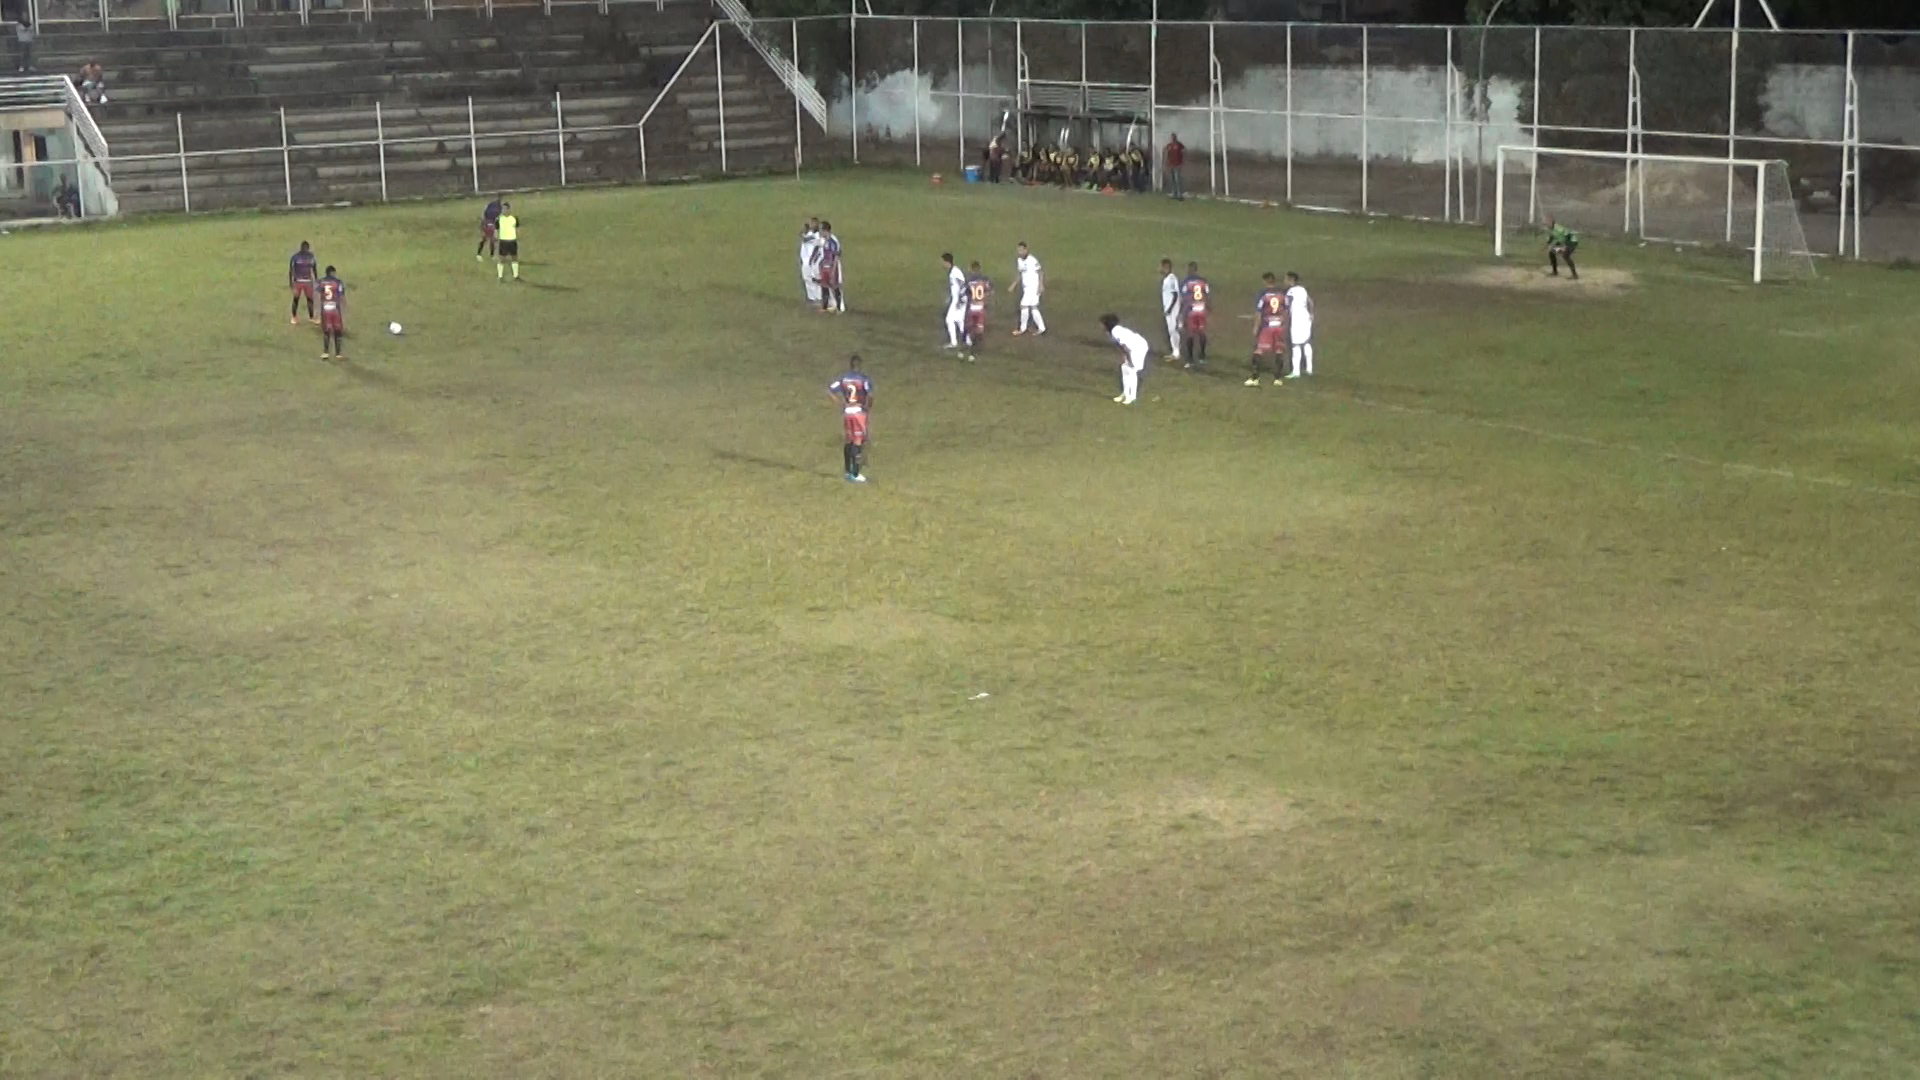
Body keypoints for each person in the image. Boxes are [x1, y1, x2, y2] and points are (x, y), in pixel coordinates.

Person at [827, 356, 873, 483]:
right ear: (860, 365)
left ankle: (847, 471)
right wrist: (867, 408)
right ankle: (856, 474)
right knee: (858, 441)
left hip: (847, 412)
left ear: (851, 365)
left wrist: (841, 404)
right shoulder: (864, 379)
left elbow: (830, 390)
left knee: (849, 439)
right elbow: (870, 395)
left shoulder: (844, 379)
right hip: (858, 413)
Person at [1245, 272, 1289, 387]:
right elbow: (1286, 310)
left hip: (1267, 327)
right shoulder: (1282, 294)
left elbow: (1259, 312)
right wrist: (1283, 322)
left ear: (1265, 281)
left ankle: (1255, 378)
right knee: (1279, 351)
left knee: (1259, 351)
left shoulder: (1263, 294)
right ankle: (1278, 379)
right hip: (1279, 326)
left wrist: (1255, 327)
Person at [1101, 315, 1150, 406]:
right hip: (1134, 347)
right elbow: (1121, 346)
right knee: (1124, 368)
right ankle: (1125, 393)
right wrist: (1124, 357)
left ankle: (1132, 396)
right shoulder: (1114, 330)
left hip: (1138, 347)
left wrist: (1130, 360)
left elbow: (1126, 347)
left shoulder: (1115, 332)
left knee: (1131, 370)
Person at [1179, 261, 1211, 368]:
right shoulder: (1203, 281)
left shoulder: (1186, 282)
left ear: (1190, 270)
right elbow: (1207, 295)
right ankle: (1202, 356)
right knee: (1201, 332)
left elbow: (1183, 297)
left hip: (1191, 310)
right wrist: (1208, 308)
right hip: (1201, 309)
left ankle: (1190, 359)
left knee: (1190, 333)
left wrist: (1182, 311)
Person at [1284, 271, 1315, 379]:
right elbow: (1311, 302)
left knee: (1295, 345)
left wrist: (1284, 319)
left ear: (1290, 280)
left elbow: (1286, 307)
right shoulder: (1303, 289)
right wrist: (1311, 314)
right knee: (1306, 343)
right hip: (1306, 318)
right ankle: (1309, 368)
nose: (1284, 281)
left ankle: (1296, 372)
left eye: (1286, 279)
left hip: (1297, 320)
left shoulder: (1290, 292)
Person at [1012, 241, 1046, 337]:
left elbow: (1040, 272)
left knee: (1024, 305)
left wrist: (1041, 285)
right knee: (1033, 307)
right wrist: (1014, 285)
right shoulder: (1019, 260)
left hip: (1033, 287)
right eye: (1019, 250)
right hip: (1026, 288)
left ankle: (1022, 329)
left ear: (1026, 250)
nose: (1020, 252)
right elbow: (1020, 274)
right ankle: (1041, 328)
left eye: (1022, 250)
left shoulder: (1032, 260)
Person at [961, 261, 991, 362]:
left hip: (972, 308)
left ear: (971, 269)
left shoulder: (969, 281)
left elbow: (965, 293)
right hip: (981, 308)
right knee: (978, 331)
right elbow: (989, 291)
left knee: (968, 327)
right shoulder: (985, 280)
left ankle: (963, 348)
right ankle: (973, 353)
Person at [813, 221, 844, 313]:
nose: (820, 233)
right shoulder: (825, 241)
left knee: (834, 286)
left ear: (825, 230)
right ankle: (824, 307)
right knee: (824, 286)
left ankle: (839, 308)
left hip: (832, 267)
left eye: (821, 230)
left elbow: (836, 256)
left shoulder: (833, 241)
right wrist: (821, 264)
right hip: (825, 266)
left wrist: (833, 270)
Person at [318, 266, 347, 360]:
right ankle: (338, 353)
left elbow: (318, 292)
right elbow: (341, 295)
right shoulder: (338, 282)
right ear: (332, 273)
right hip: (335, 309)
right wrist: (344, 306)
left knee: (326, 330)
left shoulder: (321, 282)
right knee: (337, 330)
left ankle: (326, 352)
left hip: (325, 308)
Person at [288, 240, 319, 325]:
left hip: (303, 281)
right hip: (302, 281)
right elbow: (314, 269)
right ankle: (295, 317)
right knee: (297, 299)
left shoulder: (296, 257)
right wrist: (316, 280)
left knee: (307, 299)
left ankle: (310, 317)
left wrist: (291, 282)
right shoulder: (307, 256)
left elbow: (291, 271)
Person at [941, 252, 966, 350]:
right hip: (958, 299)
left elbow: (962, 284)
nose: (942, 264)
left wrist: (960, 299)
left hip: (959, 300)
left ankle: (954, 342)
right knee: (960, 321)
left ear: (947, 262)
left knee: (949, 319)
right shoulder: (953, 271)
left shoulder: (955, 271)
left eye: (943, 262)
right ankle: (967, 340)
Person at [1158, 258, 1182, 363]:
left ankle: (1176, 353)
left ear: (1167, 267)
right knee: (1171, 331)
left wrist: (1170, 309)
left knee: (1173, 330)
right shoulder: (1167, 279)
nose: (1160, 269)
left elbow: (1176, 294)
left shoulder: (1172, 279)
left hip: (1172, 310)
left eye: (1162, 267)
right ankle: (1174, 352)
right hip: (1170, 309)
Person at [799, 218, 822, 306]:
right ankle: (811, 298)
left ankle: (819, 298)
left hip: (812, 262)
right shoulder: (809, 234)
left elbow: (805, 239)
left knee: (815, 281)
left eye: (813, 224)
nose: (811, 225)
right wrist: (805, 231)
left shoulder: (817, 236)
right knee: (807, 279)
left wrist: (804, 231)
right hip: (805, 261)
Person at [495, 202, 519, 282]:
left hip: (512, 240)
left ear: (509, 209)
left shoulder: (514, 218)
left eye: (505, 209)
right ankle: (500, 276)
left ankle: (516, 275)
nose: (503, 210)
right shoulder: (499, 219)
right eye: (502, 209)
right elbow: (496, 229)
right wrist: (496, 237)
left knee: (514, 258)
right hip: (503, 241)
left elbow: (517, 228)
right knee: (502, 259)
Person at [476, 194, 501, 260]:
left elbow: (486, 214)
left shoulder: (493, 206)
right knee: (487, 239)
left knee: (490, 239)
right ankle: (481, 254)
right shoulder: (495, 207)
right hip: (488, 223)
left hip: (489, 223)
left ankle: (488, 255)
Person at [1163, 133, 1185, 200]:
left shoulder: (1179, 145)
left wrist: (1182, 162)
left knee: (1177, 180)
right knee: (1172, 180)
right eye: (1172, 137)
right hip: (1171, 165)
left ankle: (1179, 195)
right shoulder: (1169, 145)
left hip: (1177, 165)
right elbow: (1166, 153)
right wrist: (1166, 162)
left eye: (1173, 137)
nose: (1172, 138)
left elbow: (1183, 152)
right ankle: (1174, 194)